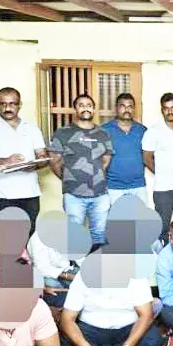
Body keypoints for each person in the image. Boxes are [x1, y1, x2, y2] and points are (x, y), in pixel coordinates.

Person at [0, 87, 48, 233]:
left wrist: (35, 164)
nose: (7, 108)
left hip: (30, 193)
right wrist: (5, 161)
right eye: (3, 104)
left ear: (20, 105)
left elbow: (42, 156)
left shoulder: (32, 128)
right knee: (5, 238)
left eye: (12, 104)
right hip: (1, 194)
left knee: (27, 234)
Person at [59, 272, 164, 346]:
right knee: (65, 344)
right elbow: (66, 320)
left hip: (129, 332)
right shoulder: (83, 276)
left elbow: (146, 315)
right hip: (90, 332)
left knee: (152, 339)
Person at [48, 95, 113, 247]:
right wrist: (69, 177)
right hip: (73, 195)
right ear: (75, 109)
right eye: (81, 105)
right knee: (74, 235)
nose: (85, 108)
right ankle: (75, 262)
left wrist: (95, 176)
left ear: (94, 109)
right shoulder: (63, 133)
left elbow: (106, 160)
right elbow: (54, 161)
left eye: (89, 105)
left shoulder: (103, 133)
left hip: (100, 194)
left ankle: (97, 261)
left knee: (99, 234)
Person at [142, 93, 173, 249]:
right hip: (162, 188)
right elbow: (147, 158)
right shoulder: (153, 131)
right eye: (166, 108)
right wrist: (161, 172)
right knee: (162, 228)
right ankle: (162, 259)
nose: (170, 111)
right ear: (162, 110)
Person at [104, 93, 148, 205]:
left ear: (134, 109)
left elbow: (148, 156)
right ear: (116, 108)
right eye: (122, 106)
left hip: (138, 185)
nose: (126, 110)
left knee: (142, 216)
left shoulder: (142, 130)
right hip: (114, 187)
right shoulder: (105, 130)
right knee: (116, 217)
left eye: (130, 106)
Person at [27, 231, 79, 309]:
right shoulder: (38, 239)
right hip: (45, 275)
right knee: (58, 293)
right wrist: (67, 276)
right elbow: (43, 268)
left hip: (65, 269)